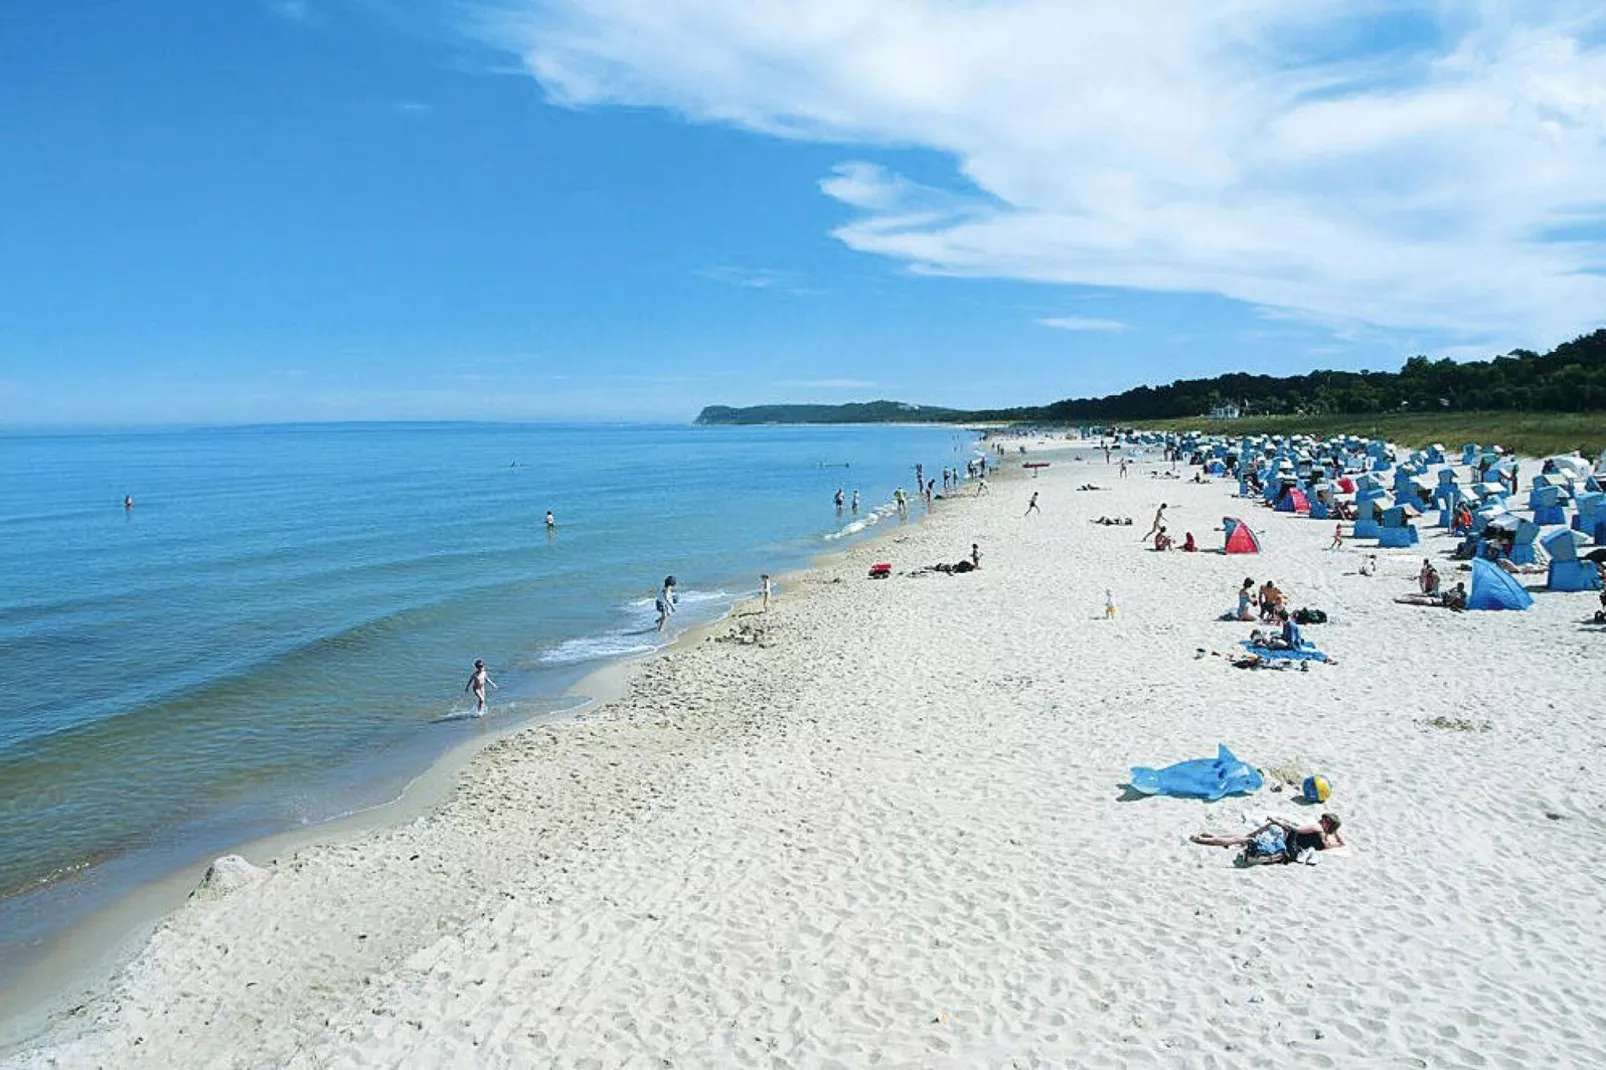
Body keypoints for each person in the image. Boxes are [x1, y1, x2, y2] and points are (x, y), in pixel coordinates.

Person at [1191, 814, 1345, 860]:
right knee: (1245, 839)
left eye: (1324, 819)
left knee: (1246, 838)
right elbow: (1342, 843)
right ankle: (1211, 838)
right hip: (1282, 841)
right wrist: (1334, 831)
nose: (1320, 819)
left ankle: (1207, 839)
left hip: (1279, 836)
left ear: (1327, 824)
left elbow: (1294, 829)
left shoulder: (1315, 827)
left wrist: (1275, 821)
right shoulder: (1326, 842)